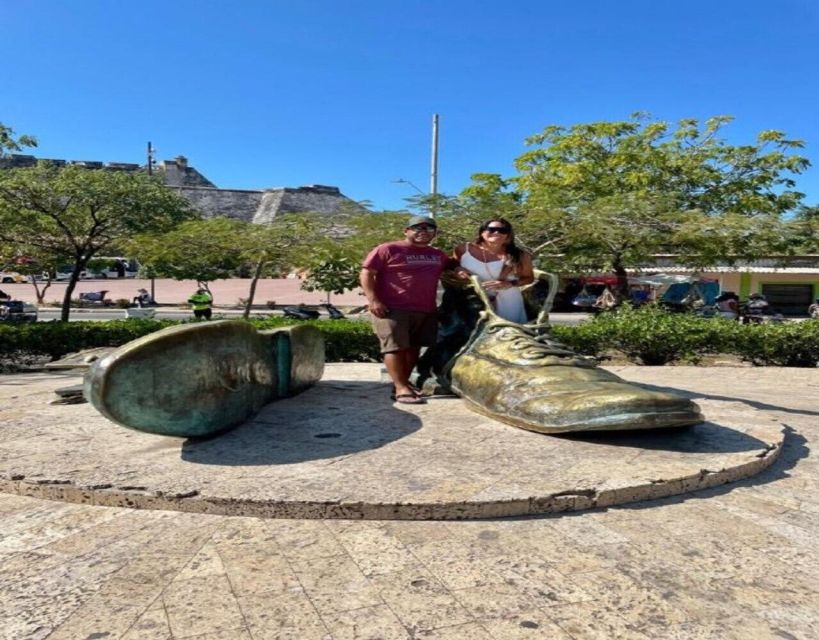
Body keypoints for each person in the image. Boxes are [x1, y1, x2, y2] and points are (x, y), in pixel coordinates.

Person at [360, 215, 454, 405]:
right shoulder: (388, 249)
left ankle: (401, 384)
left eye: (429, 228)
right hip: (391, 308)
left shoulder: (437, 255)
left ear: (435, 233)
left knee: (413, 347)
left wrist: (459, 268)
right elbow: (367, 272)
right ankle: (402, 388)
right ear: (406, 231)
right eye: (418, 227)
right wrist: (373, 300)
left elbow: (452, 265)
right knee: (394, 347)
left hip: (425, 309)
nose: (423, 231)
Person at [452, 218, 534, 323]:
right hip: (472, 302)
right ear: (482, 232)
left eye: (503, 230)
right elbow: (452, 264)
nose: (497, 233)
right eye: (492, 229)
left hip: (508, 303)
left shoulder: (519, 255)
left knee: (507, 335)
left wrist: (510, 284)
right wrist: (458, 269)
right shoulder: (463, 249)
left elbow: (529, 278)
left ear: (508, 235)